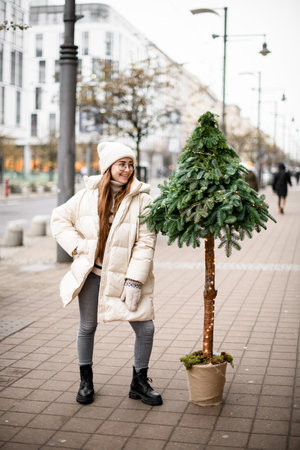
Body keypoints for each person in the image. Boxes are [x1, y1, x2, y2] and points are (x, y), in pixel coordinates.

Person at [50, 142, 162, 406]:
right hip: (92, 274)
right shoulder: (86, 196)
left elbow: (146, 242)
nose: (127, 169)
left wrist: (134, 280)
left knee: (146, 328)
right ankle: (85, 381)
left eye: (130, 164)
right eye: (121, 164)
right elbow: (59, 219)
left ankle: (139, 382)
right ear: (108, 167)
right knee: (87, 327)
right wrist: (79, 246)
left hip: (125, 278)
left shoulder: (143, 200)